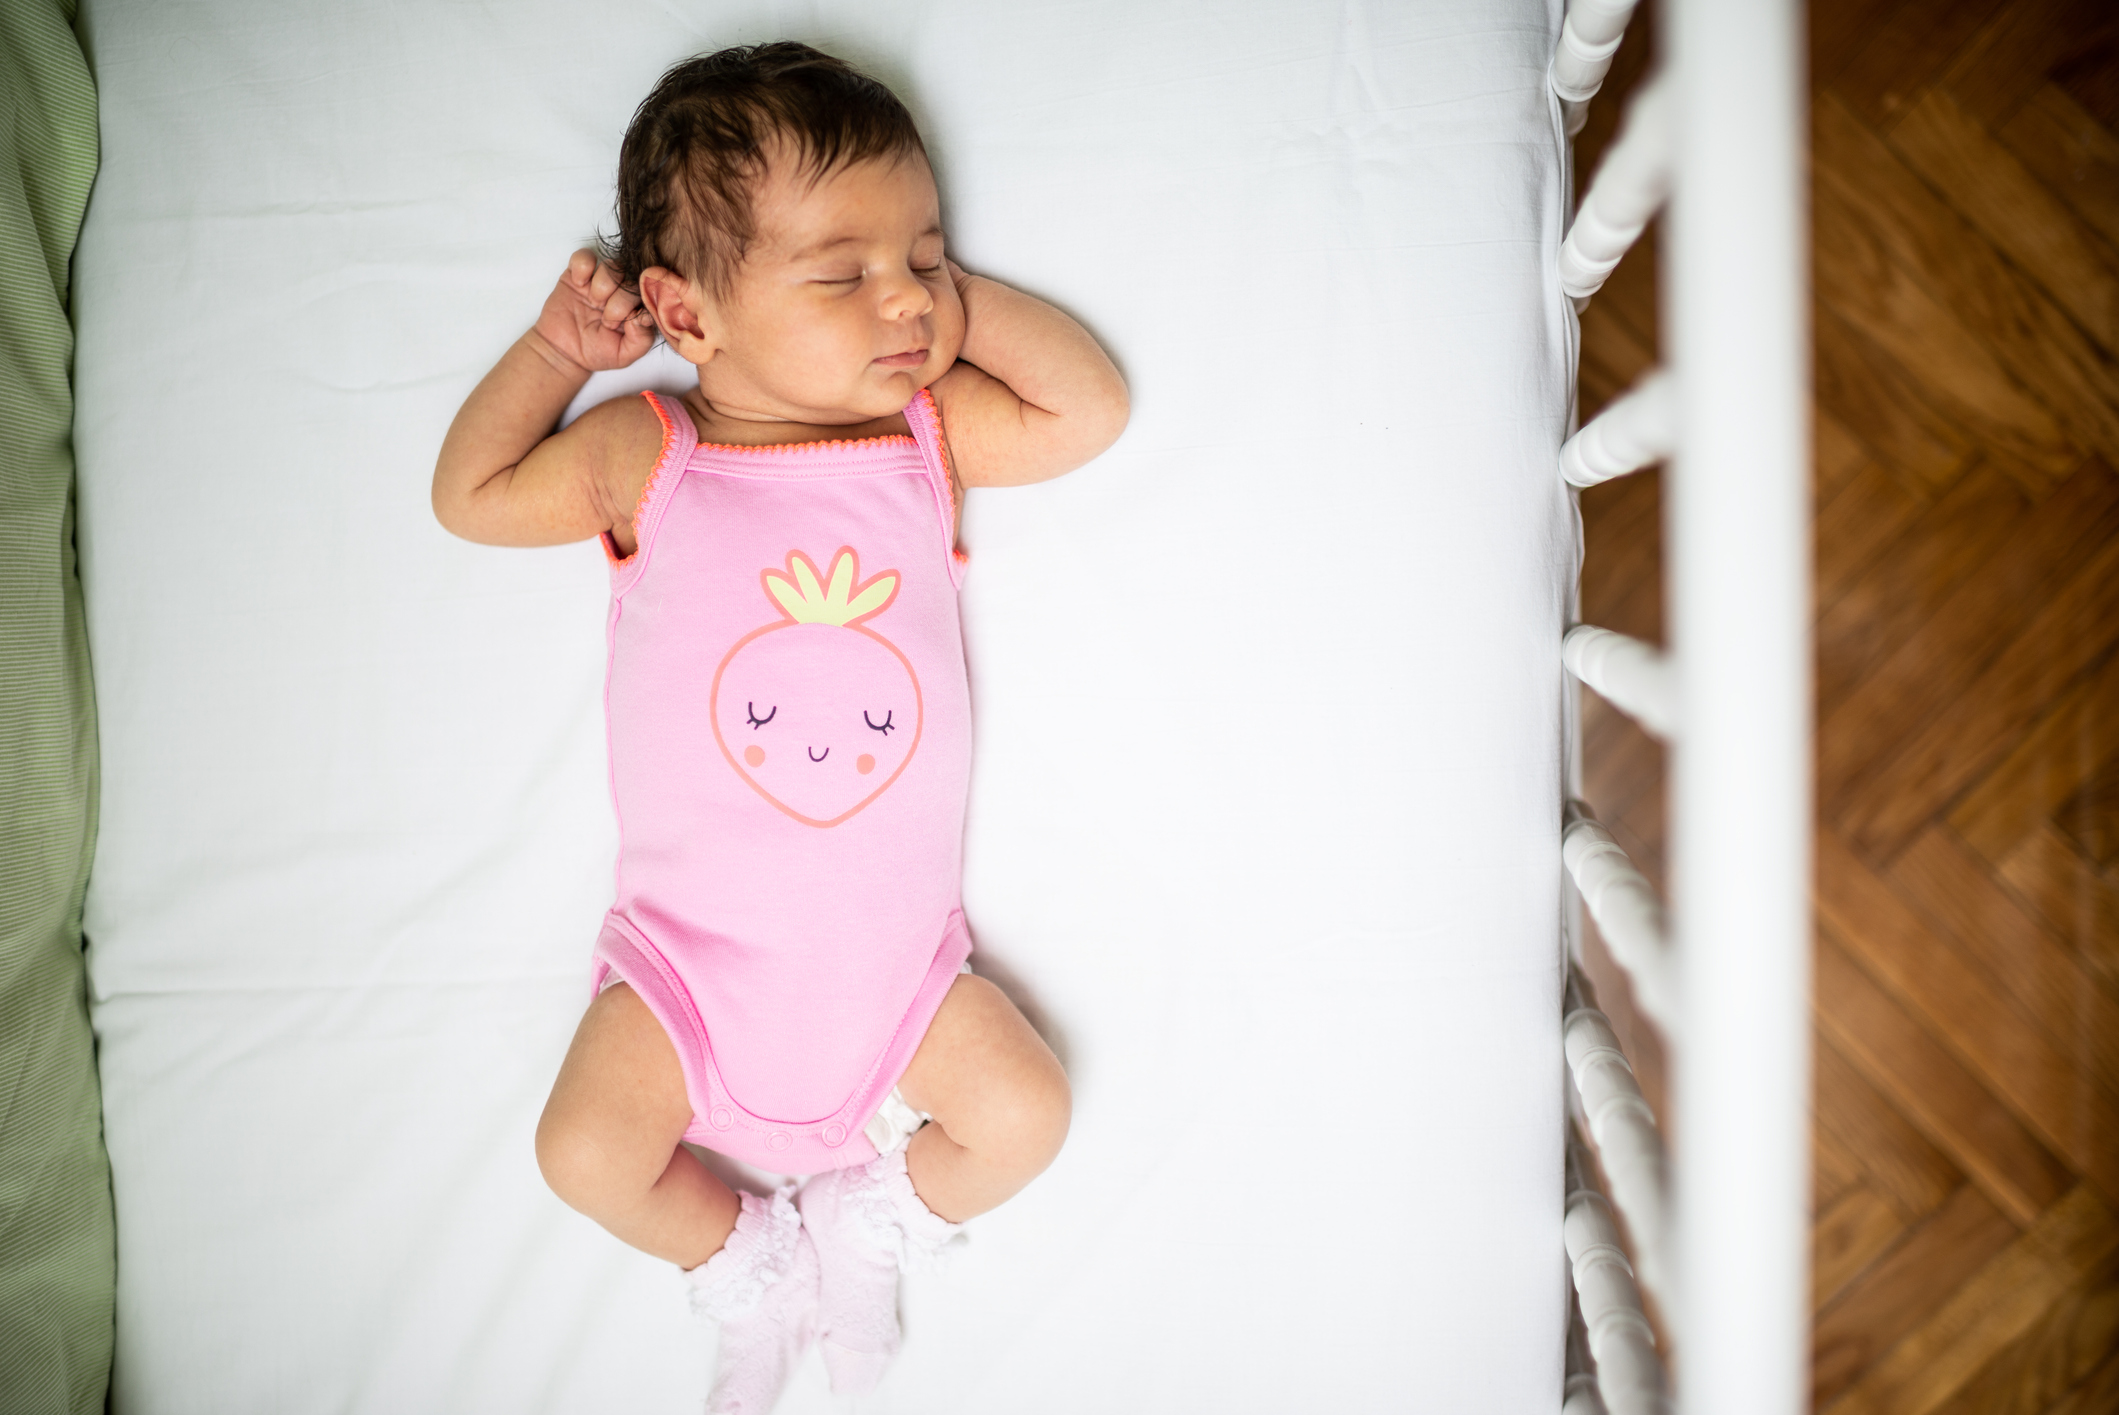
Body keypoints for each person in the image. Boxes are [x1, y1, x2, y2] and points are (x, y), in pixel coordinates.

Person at [431, 40, 1127, 1413]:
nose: (901, 300)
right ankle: (737, 1252)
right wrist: (551, 354)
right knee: (583, 1155)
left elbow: (1087, 407)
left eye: (925, 258)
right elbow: (473, 495)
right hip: (687, 975)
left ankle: (877, 1220)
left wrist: (946, 303)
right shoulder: (651, 453)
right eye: (840, 274)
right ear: (689, 315)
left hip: (898, 980)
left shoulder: (925, 439)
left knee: (1026, 1115)